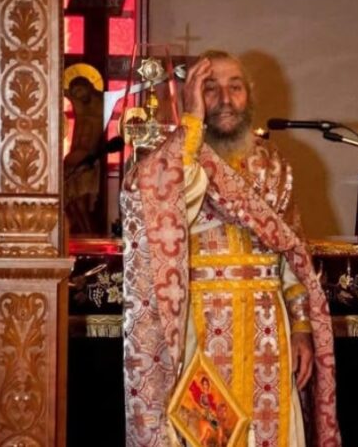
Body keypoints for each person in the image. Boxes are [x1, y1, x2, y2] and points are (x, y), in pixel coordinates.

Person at [120, 50, 341, 446]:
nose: (225, 99)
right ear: (192, 96)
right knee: (208, 435)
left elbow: (292, 254)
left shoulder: (274, 164)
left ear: (248, 96)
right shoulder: (176, 160)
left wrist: (301, 327)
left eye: (235, 87)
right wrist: (190, 124)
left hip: (267, 328)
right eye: (211, 88)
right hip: (200, 325)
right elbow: (149, 198)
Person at [64, 75, 105, 234]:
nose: (78, 95)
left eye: (80, 90)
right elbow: (66, 92)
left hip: (88, 158)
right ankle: (82, 231)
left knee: (81, 200)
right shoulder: (79, 105)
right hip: (73, 157)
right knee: (72, 202)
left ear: (88, 87)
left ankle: (89, 232)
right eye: (75, 93)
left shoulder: (100, 104)